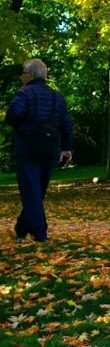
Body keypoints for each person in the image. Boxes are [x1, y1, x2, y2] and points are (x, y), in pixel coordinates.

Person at [5, 58, 73, 242]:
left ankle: (40, 232)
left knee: (31, 191)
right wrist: (67, 148)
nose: (21, 77)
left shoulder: (24, 93)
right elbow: (66, 124)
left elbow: (12, 115)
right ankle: (21, 228)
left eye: (23, 73)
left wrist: (23, 127)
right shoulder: (57, 97)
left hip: (27, 149)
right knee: (37, 191)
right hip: (50, 150)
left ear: (30, 75)